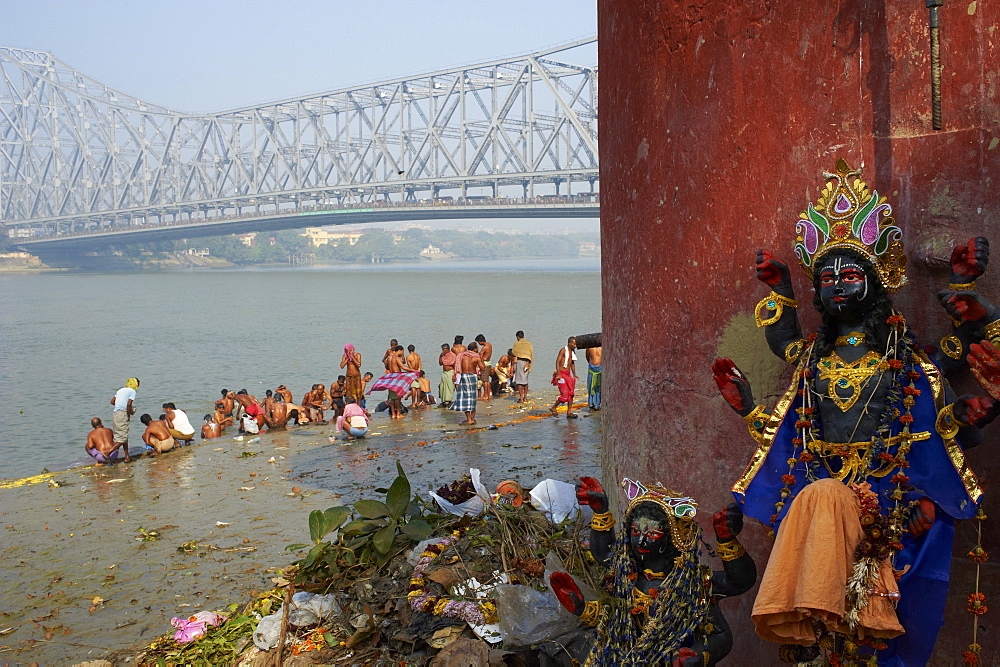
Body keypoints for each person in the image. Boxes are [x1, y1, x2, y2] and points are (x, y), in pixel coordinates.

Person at [712, 160, 1000, 664]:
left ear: (876, 281)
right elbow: (785, 416)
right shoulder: (812, 360)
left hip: (894, 495)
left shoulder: (906, 359)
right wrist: (780, 291)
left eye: (850, 275)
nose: (836, 285)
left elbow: (954, 374)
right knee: (818, 614)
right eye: (825, 278)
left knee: (886, 619)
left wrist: (962, 290)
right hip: (816, 494)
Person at [549, 477, 756, 665]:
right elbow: (606, 559)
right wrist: (582, 608)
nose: (641, 540)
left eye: (652, 533)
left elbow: (738, 587)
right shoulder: (626, 574)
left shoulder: (692, 584)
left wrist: (698, 656)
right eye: (636, 532)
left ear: (672, 538)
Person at [452, 341, 486, 425]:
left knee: (465, 398)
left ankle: (468, 419)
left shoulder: (461, 356)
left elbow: (457, 366)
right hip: (472, 377)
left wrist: (455, 375)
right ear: (475, 349)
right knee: (473, 398)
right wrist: (481, 359)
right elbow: (482, 368)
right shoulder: (476, 357)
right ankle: (472, 419)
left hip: (464, 376)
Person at [109, 378, 139, 462]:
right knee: (123, 437)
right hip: (122, 414)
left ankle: (126, 457)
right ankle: (108, 453)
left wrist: (120, 405)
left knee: (121, 436)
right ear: (135, 384)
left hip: (116, 414)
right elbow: (129, 404)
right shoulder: (132, 391)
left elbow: (112, 401)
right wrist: (128, 415)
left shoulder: (120, 390)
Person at [551, 336, 579, 418]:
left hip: (568, 374)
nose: (575, 345)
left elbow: (572, 363)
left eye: (576, 344)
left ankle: (569, 412)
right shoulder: (563, 350)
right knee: (565, 394)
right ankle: (553, 407)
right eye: (574, 344)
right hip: (561, 374)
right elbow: (557, 361)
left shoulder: (572, 352)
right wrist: (558, 373)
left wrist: (574, 374)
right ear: (569, 343)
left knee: (571, 394)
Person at [512, 331, 533, 403]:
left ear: (517, 337)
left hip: (520, 362)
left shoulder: (516, 344)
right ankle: (525, 397)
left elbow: (514, 353)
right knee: (525, 381)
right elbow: (530, 354)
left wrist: (514, 366)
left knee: (519, 381)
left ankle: (521, 398)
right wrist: (527, 363)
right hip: (527, 363)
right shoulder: (529, 344)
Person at [438, 343, 456, 408]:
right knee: (443, 387)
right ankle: (443, 401)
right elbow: (440, 363)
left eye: (443, 349)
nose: (443, 351)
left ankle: (449, 401)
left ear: (447, 349)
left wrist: (455, 374)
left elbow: (455, 365)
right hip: (444, 372)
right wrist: (440, 356)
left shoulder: (452, 355)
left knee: (449, 386)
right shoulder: (443, 355)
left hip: (450, 372)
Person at [476, 334, 493, 399]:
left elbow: (480, 355)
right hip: (488, 363)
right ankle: (488, 394)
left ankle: (486, 395)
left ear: (480, 341)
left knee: (484, 380)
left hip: (485, 363)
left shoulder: (484, 347)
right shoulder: (489, 345)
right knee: (487, 380)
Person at [586, 345, 603, 411]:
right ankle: (591, 404)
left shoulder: (603, 347)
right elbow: (587, 357)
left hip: (600, 368)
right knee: (591, 387)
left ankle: (597, 404)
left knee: (598, 387)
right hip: (592, 367)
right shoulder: (589, 348)